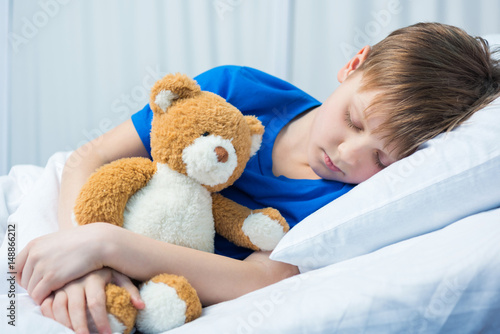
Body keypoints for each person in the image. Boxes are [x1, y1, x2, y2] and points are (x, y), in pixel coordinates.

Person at [16, 22, 500, 334]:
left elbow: (259, 277)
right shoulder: (238, 90)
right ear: (353, 64)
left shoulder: (341, 205)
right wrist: (85, 256)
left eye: (383, 160)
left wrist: (109, 247)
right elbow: (91, 157)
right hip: (94, 213)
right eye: (354, 121)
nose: (348, 156)